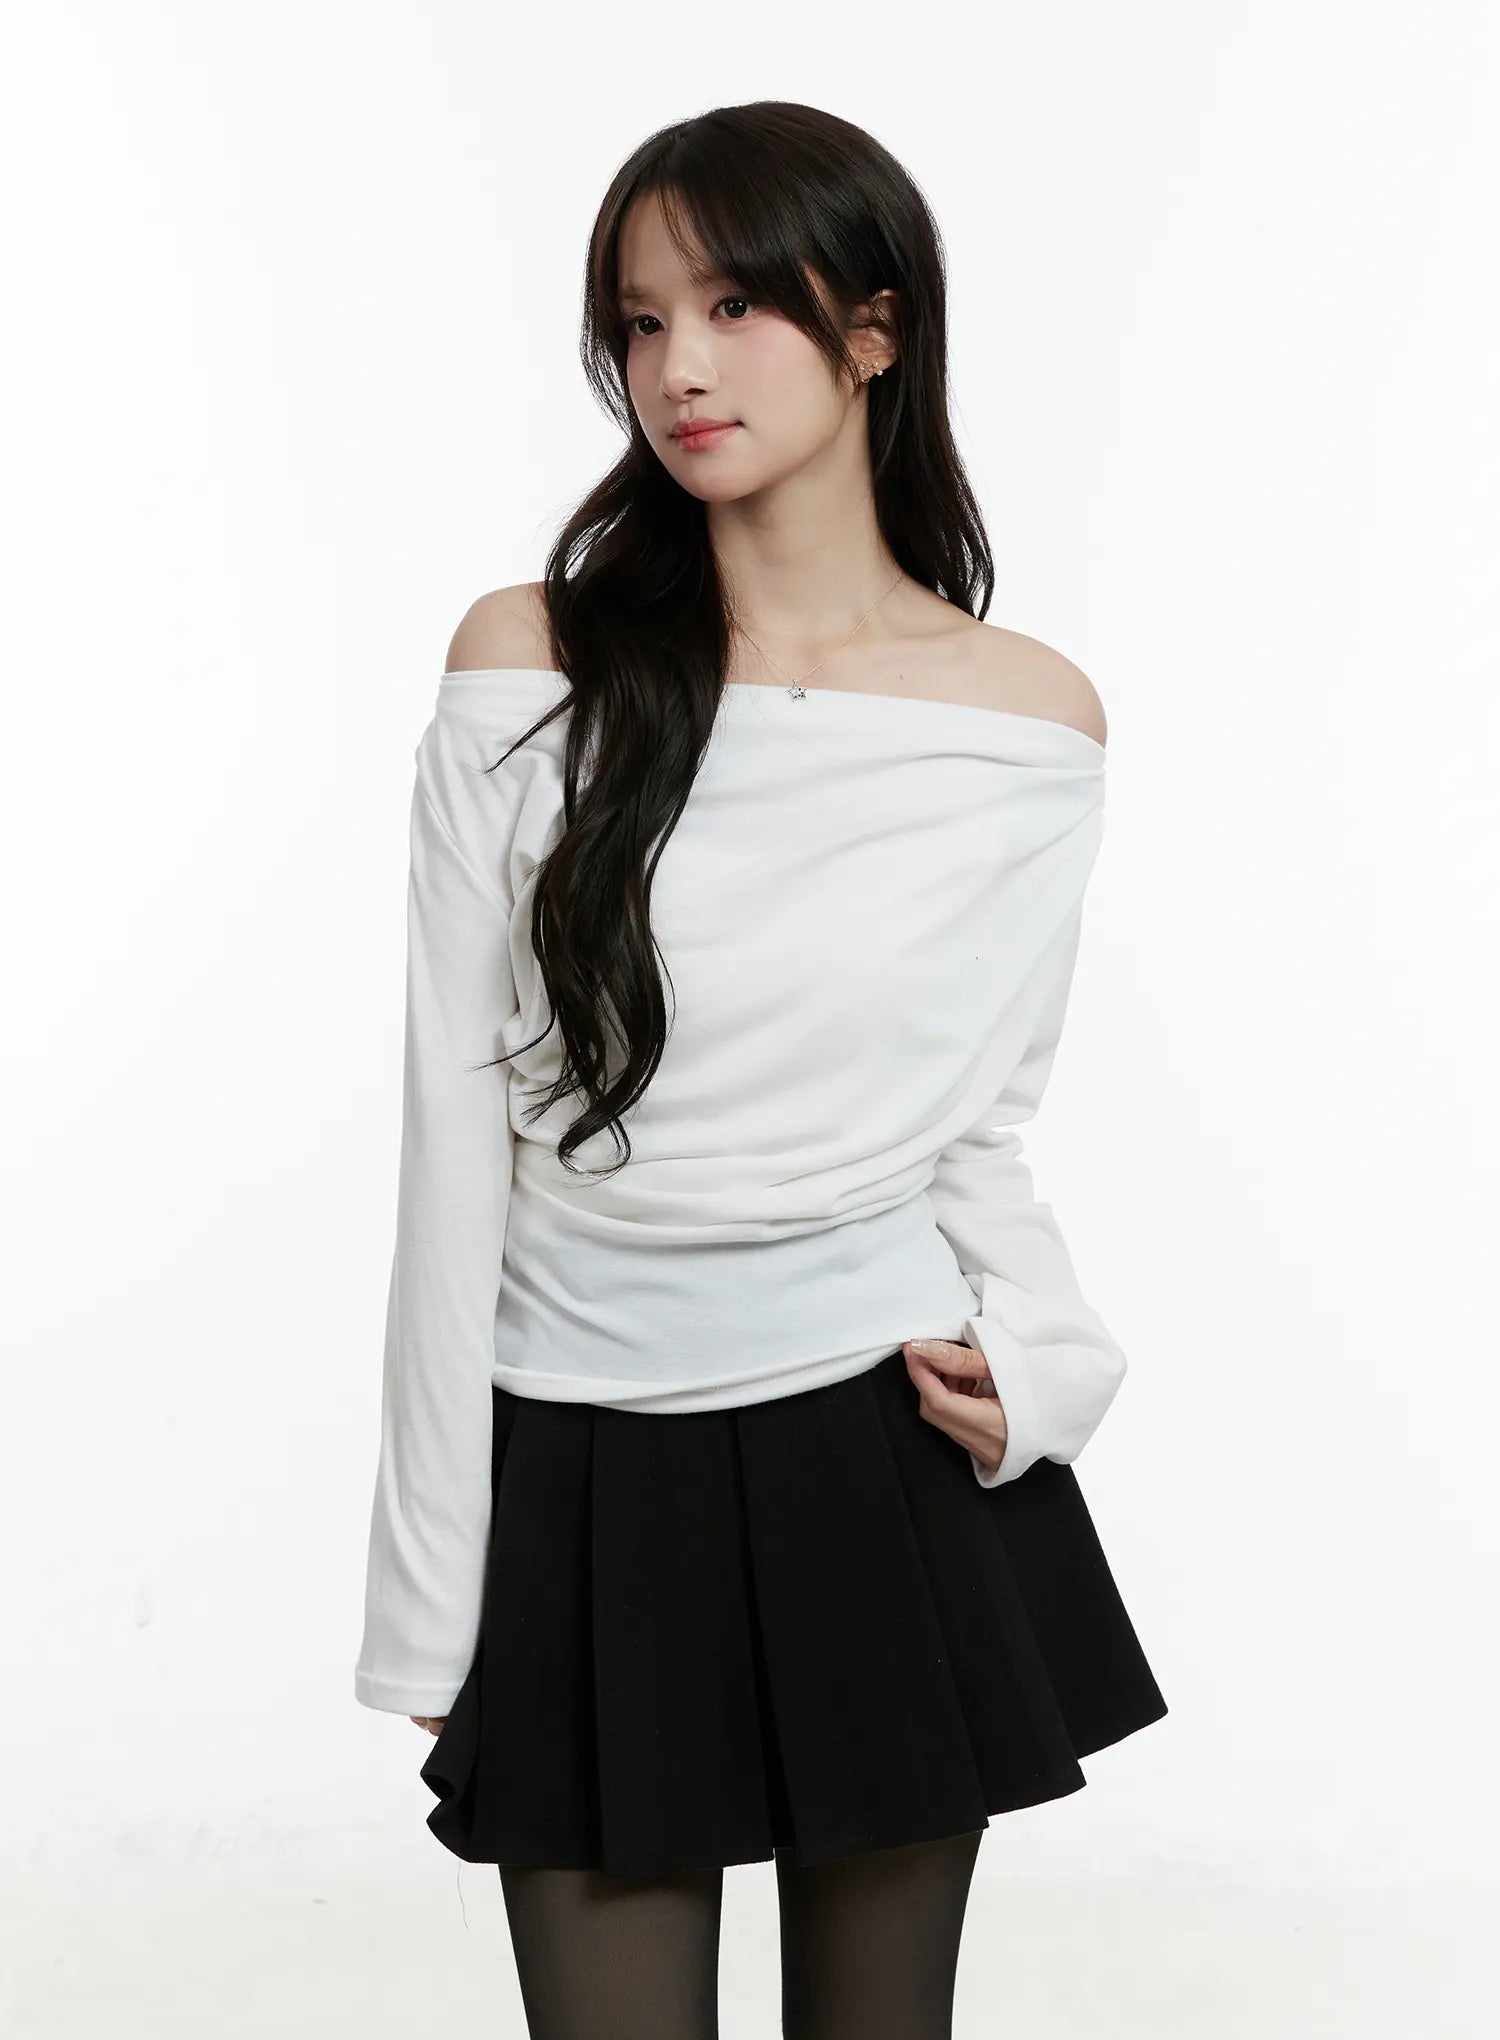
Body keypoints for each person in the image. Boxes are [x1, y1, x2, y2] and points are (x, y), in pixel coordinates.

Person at [354, 99, 1168, 2040]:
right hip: (578, 1464)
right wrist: (433, 1598)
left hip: (879, 1463)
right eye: (640, 323)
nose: (678, 369)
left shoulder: (1024, 725)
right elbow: (452, 1136)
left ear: (874, 330)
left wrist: (1052, 1367)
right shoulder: (530, 664)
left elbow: (980, 1123)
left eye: (733, 306)